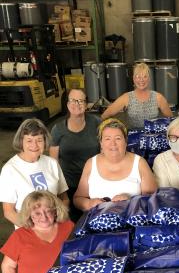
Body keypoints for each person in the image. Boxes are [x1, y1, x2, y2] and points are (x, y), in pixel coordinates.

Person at [73, 118, 157, 211]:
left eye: (118, 138)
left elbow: (153, 200)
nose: (113, 144)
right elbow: (78, 198)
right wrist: (89, 203)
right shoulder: (91, 163)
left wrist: (131, 201)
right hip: (96, 222)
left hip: (132, 222)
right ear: (101, 143)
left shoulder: (140, 163)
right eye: (107, 139)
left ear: (126, 142)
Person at [0, 118, 69, 227]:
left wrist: (58, 219)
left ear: (45, 141)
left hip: (55, 226)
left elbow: (64, 198)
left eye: (39, 140)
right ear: (21, 141)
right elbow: (8, 211)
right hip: (28, 231)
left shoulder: (51, 163)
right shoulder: (9, 169)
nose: (35, 145)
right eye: (29, 140)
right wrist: (34, 230)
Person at [50, 88, 100, 219]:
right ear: (67, 104)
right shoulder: (57, 130)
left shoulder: (96, 123)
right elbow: (53, 164)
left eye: (81, 101)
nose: (77, 104)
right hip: (70, 186)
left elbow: (105, 150)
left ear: (86, 104)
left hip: (94, 183)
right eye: (72, 100)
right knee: (74, 224)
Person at [101, 62, 172, 128]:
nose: (142, 80)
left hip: (152, 136)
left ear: (149, 79)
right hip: (133, 137)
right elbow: (105, 115)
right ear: (133, 79)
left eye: (145, 76)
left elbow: (171, 119)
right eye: (138, 77)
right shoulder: (126, 97)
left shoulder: (158, 97)